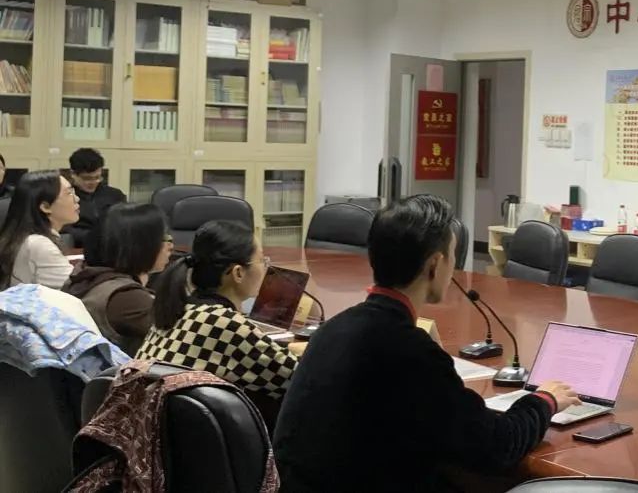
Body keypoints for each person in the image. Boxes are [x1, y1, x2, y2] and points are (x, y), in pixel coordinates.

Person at [273, 196, 580, 492]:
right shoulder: (410, 352)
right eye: (453, 256)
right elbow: (497, 446)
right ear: (435, 265)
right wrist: (544, 401)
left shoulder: (333, 329)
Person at [136, 220, 298, 401]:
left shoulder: (178, 308)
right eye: (262, 260)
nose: (266, 267)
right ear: (238, 273)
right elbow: (298, 377)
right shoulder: (225, 323)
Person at [63, 203, 173, 355]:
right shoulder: (126, 298)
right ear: (139, 246)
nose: (170, 245)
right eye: (163, 238)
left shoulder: (85, 273)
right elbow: (183, 336)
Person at [0, 170, 79, 289]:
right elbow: (78, 290)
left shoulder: (27, 238)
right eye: (69, 193)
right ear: (45, 207)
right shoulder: (39, 244)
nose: (77, 199)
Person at [64, 147, 126, 261]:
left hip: (113, 250)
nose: (93, 182)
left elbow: (125, 224)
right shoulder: (64, 197)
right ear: (73, 174)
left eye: (97, 177)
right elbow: (64, 229)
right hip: (78, 250)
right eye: (87, 178)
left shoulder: (115, 195)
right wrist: (95, 236)